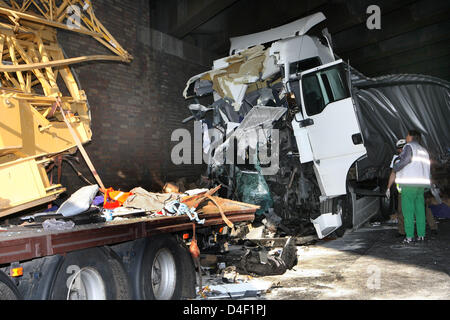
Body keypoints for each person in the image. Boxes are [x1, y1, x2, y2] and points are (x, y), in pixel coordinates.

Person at [386, 139, 438, 237]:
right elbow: (393, 173)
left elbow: (423, 169)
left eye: (402, 148)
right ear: (397, 150)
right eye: (399, 149)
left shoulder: (413, 156)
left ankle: (432, 227)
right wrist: (388, 187)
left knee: (423, 209)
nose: (401, 151)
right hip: (403, 189)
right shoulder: (396, 159)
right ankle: (403, 231)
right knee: (402, 211)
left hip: (414, 187)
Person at [392, 130, 431, 244]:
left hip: (409, 184)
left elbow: (406, 160)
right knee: (420, 211)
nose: (406, 137)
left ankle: (409, 236)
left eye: (407, 135)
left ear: (411, 137)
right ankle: (421, 235)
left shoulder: (409, 147)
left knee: (408, 211)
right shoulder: (423, 150)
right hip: (421, 185)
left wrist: (395, 167)